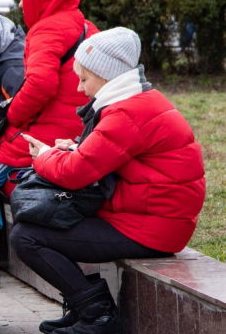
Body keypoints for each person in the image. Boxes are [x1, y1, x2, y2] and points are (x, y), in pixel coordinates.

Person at [12, 27, 206, 334]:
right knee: (33, 228)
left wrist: (44, 156)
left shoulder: (126, 114)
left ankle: (97, 314)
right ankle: (84, 306)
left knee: (26, 237)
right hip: (149, 218)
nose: (79, 88)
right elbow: (101, 159)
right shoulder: (135, 102)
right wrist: (74, 148)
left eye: (84, 78)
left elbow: (75, 173)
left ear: (106, 75)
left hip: (152, 228)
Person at [0, 0, 100, 197]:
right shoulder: (85, 26)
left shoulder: (46, 29)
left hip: (43, 142)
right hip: (79, 135)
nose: (21, 4)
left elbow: (40, 85)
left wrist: (11, 115)